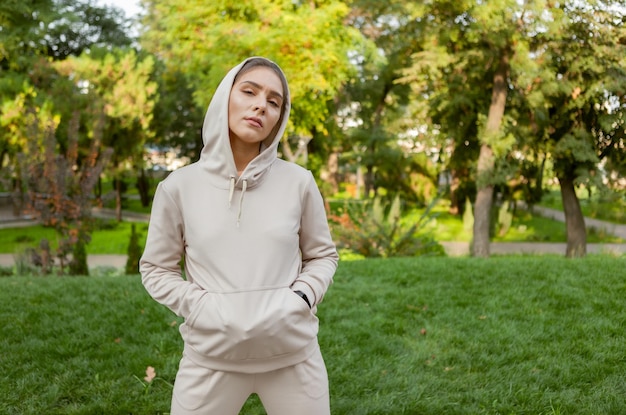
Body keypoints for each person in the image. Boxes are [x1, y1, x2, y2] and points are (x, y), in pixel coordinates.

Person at [139, 56, 339, 415]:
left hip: (292, 358)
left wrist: (301, 298)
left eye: (274, 102)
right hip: (210, 359)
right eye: (249, 91)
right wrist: (200, 307)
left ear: (279, 117)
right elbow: (156, 269)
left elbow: (322, 256)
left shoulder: (299, 182)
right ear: (224, 99)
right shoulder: (178, 187)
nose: (261, 105)